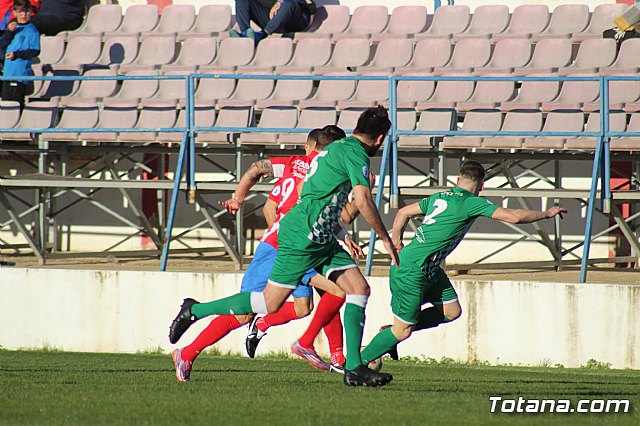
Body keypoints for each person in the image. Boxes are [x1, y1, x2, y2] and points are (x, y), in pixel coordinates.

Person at [169, 105, 398, 388]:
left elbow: (307, 193)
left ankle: (350, 365)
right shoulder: (354, 155)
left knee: (355, 290)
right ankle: (196, 312)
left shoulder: (327, 154)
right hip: (299, 238)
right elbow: (359, 203)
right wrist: (385, 239)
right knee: (266, 304)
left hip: (316, 235)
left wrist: (335, 225)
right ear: (380, 140)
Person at [359, 161, 568, 372]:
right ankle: (357, 363)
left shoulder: (440, 196)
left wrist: (397, 242)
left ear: (458, 180)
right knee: (403, 331)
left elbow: (402, 212)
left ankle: (392, 331)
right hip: (412, 270)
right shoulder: (473, 202)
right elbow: (514, 217)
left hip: (427, 268)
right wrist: (547, 213)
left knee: (451, 310)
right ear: (481, 186)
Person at [0, 0, 39, 109]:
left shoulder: (32, 30)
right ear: (15, 12)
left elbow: (35, 51)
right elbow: (2, 45)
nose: (24, 15)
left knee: (17, 103)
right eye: (20, 12)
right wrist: (9, 32)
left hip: (20, 73)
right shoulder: (13, 27)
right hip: (8, 73)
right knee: (6, 103)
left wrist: (16, 55)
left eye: (26, 12)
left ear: (31, 12)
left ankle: (19, 124)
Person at [230, 0, 311, 45]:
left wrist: (280, 2)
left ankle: (261, 35)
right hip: (273, 18)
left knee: (288, 4)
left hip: (296, 18)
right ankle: (246, 34)